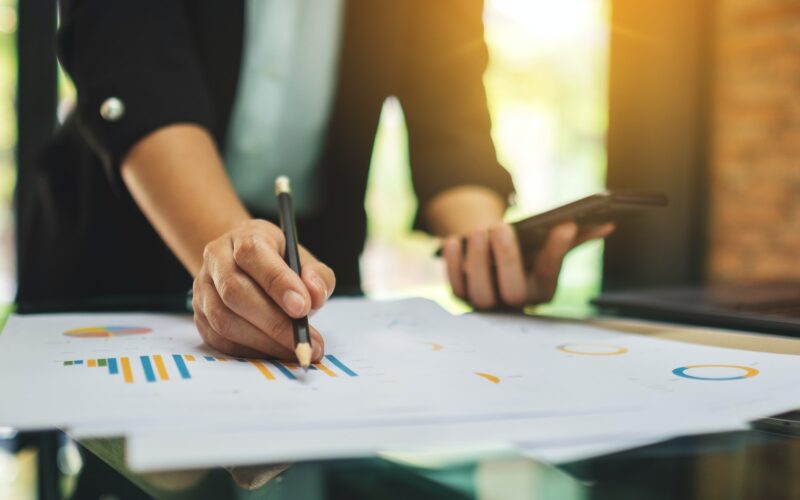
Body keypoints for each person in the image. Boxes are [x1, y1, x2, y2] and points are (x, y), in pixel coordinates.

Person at [18, 0, 612, 362]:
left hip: (316, 286)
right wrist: (242, 257)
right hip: (112, 269)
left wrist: (489, 249)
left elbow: (451, 119)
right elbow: (132, 70)